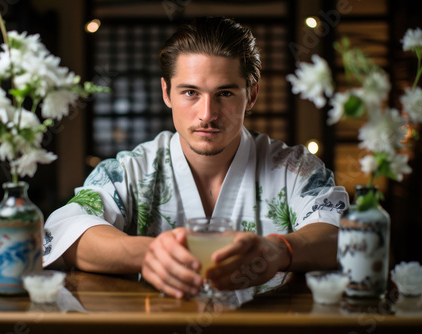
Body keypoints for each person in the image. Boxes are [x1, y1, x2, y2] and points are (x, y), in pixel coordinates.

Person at [43, 17, 349, 299]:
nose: (207, 114)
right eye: (190, 93)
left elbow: (340, 232)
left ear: (252, 94)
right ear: (166, 92)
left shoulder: (295, 169)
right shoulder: (129, 171)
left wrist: (278, 250)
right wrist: (148, 253)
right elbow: (65, 231)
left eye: (225, 93)